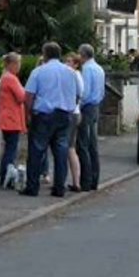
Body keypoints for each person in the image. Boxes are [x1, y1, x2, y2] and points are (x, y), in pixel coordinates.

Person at [23, 42, 82, 198]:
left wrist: (28, 113)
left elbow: (28, 96)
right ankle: (59, 188)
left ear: (45, 54)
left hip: (43, 114)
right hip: (64, 115)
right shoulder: (71, 73)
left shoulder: (38, 72)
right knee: (61, 151)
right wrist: (70, 108)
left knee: (36, 151)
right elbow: (77, 95)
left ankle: (32, 187)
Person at [0, 52, 27, 189]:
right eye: (18, 63)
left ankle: (5, 176)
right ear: (12, 64)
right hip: (12, 118)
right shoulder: (11, 79)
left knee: (9, 147)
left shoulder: (4, 77)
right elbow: (21, 97)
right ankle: (6, 178)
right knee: (11, 149)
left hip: (6, 117)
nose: (19, 66)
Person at [77, 43, 106, 192]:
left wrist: (78, 105)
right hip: (96, 107)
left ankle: (85, 181)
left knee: (82, 145)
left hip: (87, 107)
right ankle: (95, 178)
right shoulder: (99, 68)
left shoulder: (87, 69)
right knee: (93, 145)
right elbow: (101, 91)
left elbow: (85, 92)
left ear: (83, 55)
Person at [64, 53, 85, 193]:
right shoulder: (74, 74)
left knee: (69, 148)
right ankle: (75, 181)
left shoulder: (75, 75)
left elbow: (79, 94)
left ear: (76, 64)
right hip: (74, 112)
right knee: (68, 148)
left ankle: (76, 181)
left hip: (71, 113)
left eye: (69, 61)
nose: (66, 63)